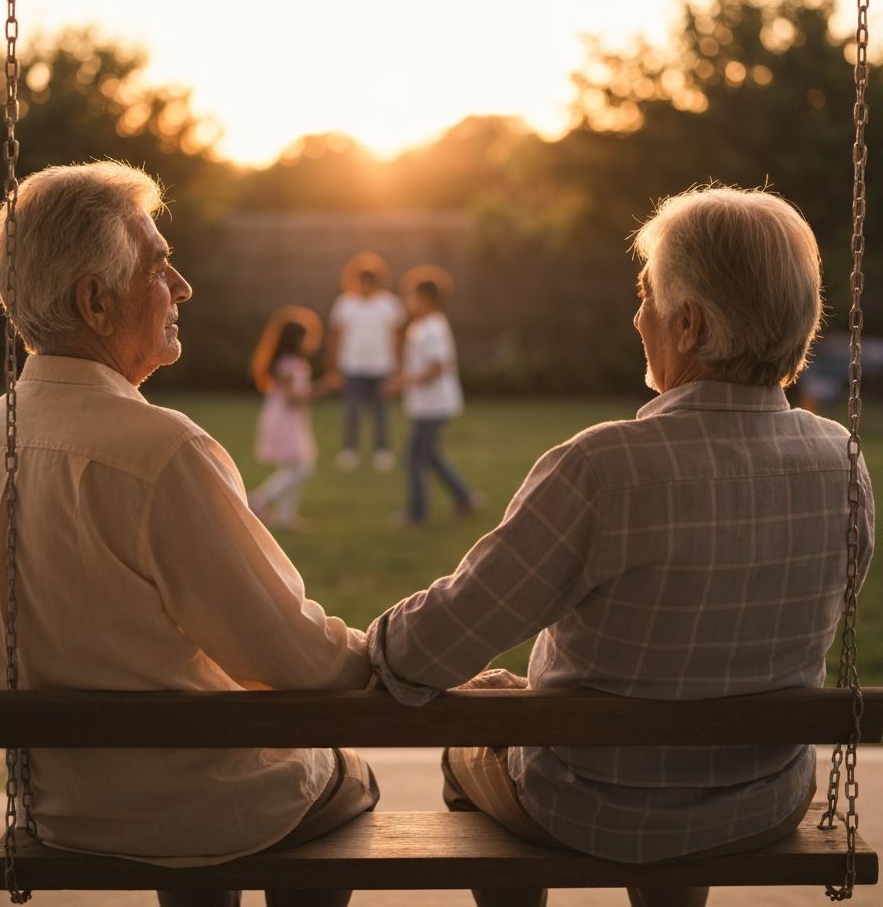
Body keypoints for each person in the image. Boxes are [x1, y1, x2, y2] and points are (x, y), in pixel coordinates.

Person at [366, 187, 874, 907]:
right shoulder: (842, 462)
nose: (638, 317)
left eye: (646, 296)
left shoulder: (605, 467)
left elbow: (431, 648)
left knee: (471, 748)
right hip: (761, 802)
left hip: (587, 806)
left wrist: (380, 645)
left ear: (687, 324)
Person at [0, 163, 378, 907]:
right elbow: (292, 657)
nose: (183, 287)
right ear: (96, 303)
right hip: (193, 804)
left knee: (213, 790)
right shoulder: (161, 452)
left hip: (60, 808)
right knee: (345, 777)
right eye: (160, 267)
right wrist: (389, 654)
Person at [392, 267, 477, 524]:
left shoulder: (432, 328)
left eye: (411, 296)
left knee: (414, 456)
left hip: (434, 404)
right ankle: (465, 498)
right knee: (430, 455)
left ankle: (418, 513)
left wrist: (404, 380)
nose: (408, 301)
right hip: (427, 404)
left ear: (425, 298)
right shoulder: (423, 326)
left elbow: (436, 367)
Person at [326, 252, 405, 472]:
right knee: (352, 411)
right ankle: (350, 450)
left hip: (382, 367)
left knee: (381, 412)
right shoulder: (345, 303)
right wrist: (333, 368)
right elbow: (335, 337)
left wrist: (398, 367)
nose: (365, 285)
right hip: (352, 366)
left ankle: (382, 450)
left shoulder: (389, 304)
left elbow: (398, 337)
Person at [248, 306, 323, 530]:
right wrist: (323, 388)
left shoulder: (285, 363)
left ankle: (285, 517)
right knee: (302, 467)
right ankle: (259, 499)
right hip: (285, 420)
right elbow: (293, 399)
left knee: (296, 467)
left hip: (285, 419)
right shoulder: (292, 365)